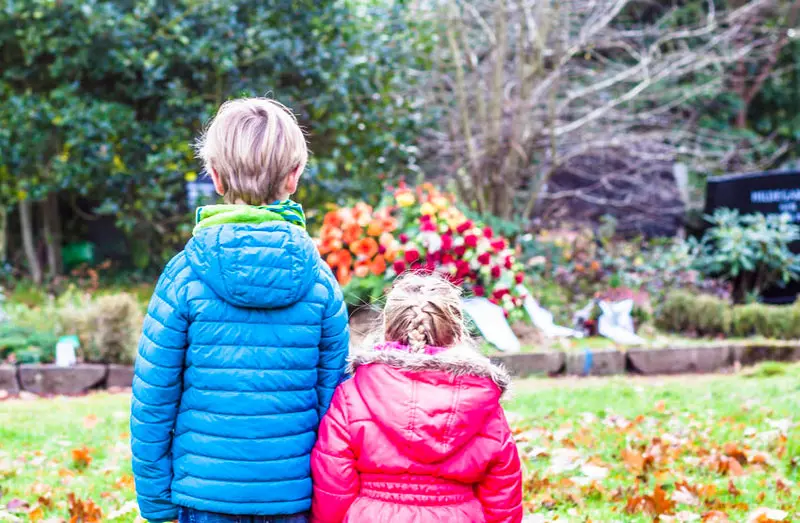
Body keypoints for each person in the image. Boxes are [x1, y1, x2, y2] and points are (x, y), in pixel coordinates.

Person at [131, 98, 350, 523]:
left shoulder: (184, 275)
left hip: (202, 498)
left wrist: (157, 503)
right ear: (294, 176)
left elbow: (153, 398)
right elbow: (334, 404)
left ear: (213, 176)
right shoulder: (320, 280)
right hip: (294, 499)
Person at [310, 274, 523, 523]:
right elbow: (503, 491)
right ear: (456, 331)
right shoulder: (482, 400)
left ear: (388, 325)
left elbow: (333, 482)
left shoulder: (352, 395)